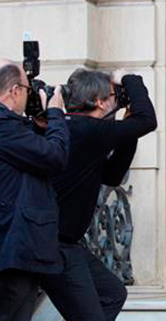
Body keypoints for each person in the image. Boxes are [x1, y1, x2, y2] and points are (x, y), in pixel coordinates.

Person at [39, 69, 157, 320]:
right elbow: (148, 121)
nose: (118, 99)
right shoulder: (88, 130)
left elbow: (111, 176)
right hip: (53, 246)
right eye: (114, 95)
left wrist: (128, 128)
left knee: (112, 293)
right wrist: (130, 78)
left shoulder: (76, 128)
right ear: (100, 102)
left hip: (63, 243)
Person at [0, 61, 69, 321]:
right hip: (13, 247)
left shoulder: (10, 127)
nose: (30, 96)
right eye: (29, 90)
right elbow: (55, 157)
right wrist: (55, 114)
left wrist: (39, 124)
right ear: (15, 91)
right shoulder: (4, 127)